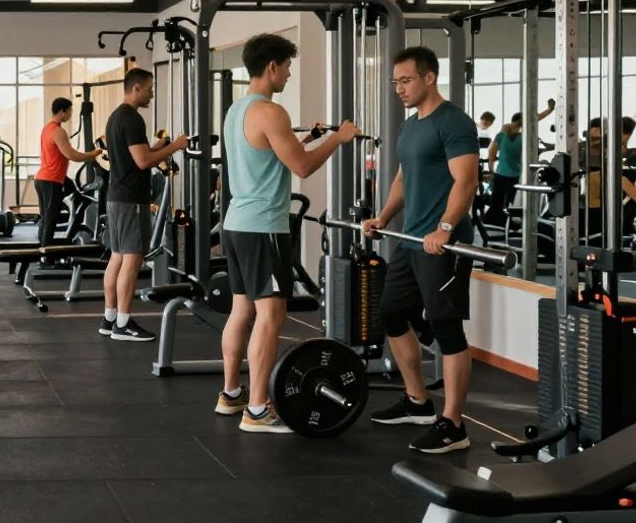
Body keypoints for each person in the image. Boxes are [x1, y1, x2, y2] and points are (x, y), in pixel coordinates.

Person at [217, 35, 359, 434]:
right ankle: (259, 410)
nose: (290, 74)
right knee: (270, 314)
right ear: (273, 67)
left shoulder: (235, 110)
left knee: (241, 309)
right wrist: (337, 138)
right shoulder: (271, 112)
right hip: (264, 227)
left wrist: (310, 137)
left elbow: (268, 155)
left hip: (236, 223)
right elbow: (301, 168)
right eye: (288, 66)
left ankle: (231, 394)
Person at [362, 47, 479, 454]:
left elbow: (466, 181)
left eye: (406, 80)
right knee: (391, 315)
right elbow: (401, 178)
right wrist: (383, 216)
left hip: (442, 245)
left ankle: (453, 425)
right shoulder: (410, 127)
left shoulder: (454, 122)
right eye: (395, 82)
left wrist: (445, 228)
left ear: (430, 78)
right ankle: (417, 401)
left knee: (447, 330)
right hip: (412, 240)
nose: (399, 89)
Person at [99, 68, 190, 342]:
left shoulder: (116, 117)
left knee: (117, 256)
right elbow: (142, 162)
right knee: (132, 258)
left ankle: (110, 317)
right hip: (131, 198)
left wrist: (158, 145)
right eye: (150, 88)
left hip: (116, 195)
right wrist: (175, 146)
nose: (152, 93)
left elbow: (138, 154)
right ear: (136, 88)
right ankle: (124, 324)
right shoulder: (133, 119)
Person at [34, 97, 104, 247]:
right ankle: (45, 256)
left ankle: (42, 249)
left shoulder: (47, 128)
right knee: (50, 219)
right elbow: (71, 155)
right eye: (70, 111)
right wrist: (92, 154)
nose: (71, 115)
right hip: (51, 180)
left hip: (43, 178)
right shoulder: (58, 131)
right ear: (62, 111)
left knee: (47, 217)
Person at [485, 100, 556, 226]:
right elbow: (534, 120)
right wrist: (549, 110)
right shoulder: (518, 137)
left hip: (503, 175)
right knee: (509, 205)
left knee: (499, 204)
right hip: (513, 176)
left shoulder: (505, 134)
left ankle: (502, 225)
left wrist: (491, 168)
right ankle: (506, 225)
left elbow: (492, 152)